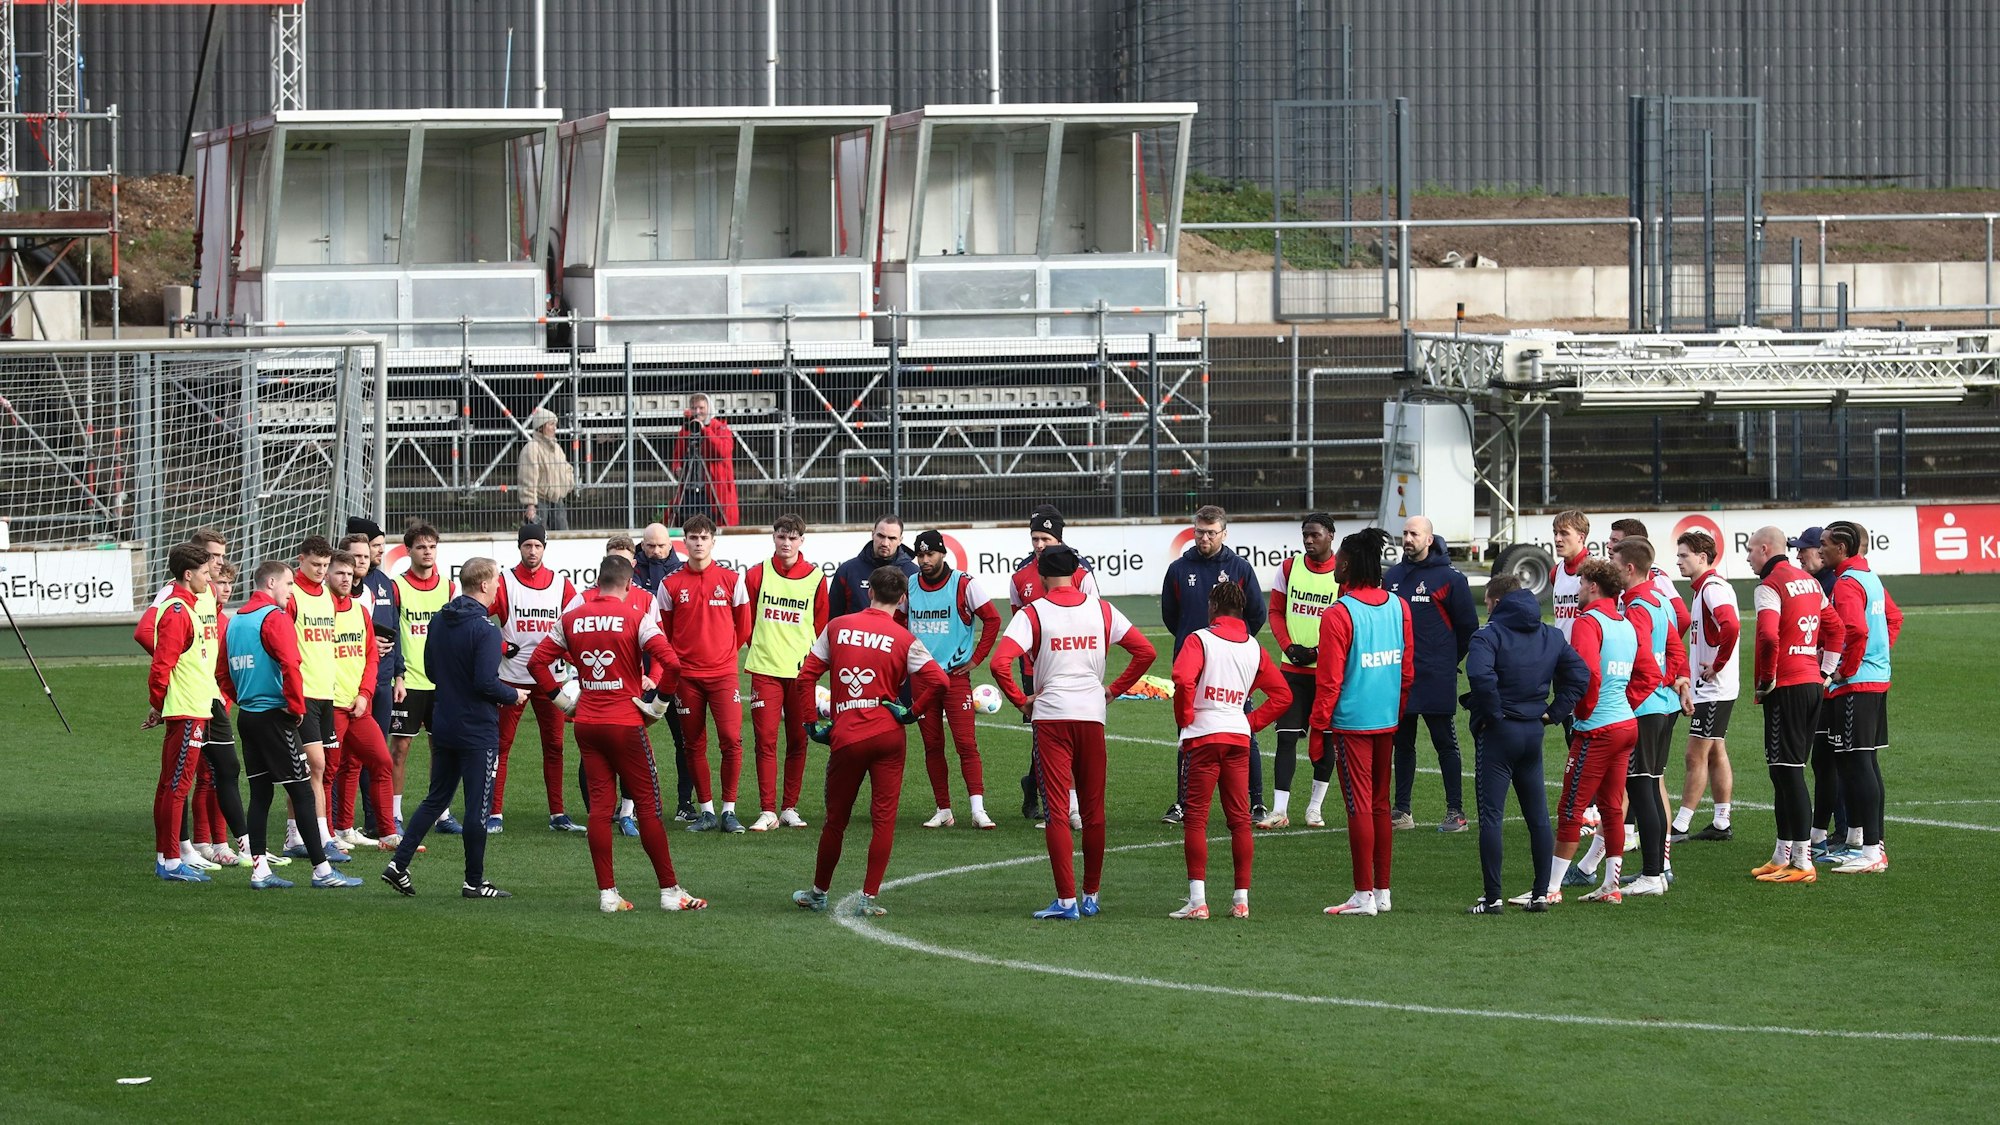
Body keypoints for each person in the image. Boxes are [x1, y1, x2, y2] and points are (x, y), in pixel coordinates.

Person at [529, 553, 707, 913]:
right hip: (626, 723)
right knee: (648, 808)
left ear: (597, 582)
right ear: (629, 584)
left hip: (588, 724)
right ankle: (670, 892)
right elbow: (671, 663)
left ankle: (608, 895)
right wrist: (658, 706)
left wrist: (563, 703)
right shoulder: (636, 616)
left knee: (599, 809)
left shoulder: (571, 617)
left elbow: (537, 663)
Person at [990, 545, 1156, 920]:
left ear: (1043, 576)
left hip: (1051, 718)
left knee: (1057, 813)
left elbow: (1001, 663)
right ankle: (1091, 895)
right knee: (1094, 811)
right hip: (1092, 715)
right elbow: (1145, 652)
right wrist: (1112, 689)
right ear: (1077, 573)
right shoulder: (1102, 608)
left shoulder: (1034, 612)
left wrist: (1021, 700)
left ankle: (1066, 901)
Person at [792, 566, 949, 916]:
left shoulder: (838, 627)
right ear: (903, 598)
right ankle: (869, 898)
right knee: (883, 820)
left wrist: (811, 724)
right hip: (889, 736)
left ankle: (818, 893)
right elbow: (940, 682)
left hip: (846, 736)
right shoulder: (904, 638)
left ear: (869, 592)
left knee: (836, 821)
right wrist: (910, 712)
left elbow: (805, 678)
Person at [381, 557, 525, 900]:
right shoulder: (486, 629)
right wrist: (513, 694)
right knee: (476, 807)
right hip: (476, 729)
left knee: (436, 799)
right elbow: (486, 683)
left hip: (444, 721)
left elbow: (430, 670)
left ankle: (398, 865)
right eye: (497, 582)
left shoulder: (440, 621)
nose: (499, 587)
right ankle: (474, 882)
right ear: (486, 585)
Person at [221, 560, 362, 890]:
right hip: (275, 716)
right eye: (287, 585)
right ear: (271, 584)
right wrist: (296, 709)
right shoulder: (275, 618)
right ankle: (322, 871)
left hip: (249, 717)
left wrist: (244, 698)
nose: (290, 591)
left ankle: (259, 871)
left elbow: (222, 672)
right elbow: (291, 664)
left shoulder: (235, 621)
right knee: (301, 791)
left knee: (260, 793)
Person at [1465, 574, 1588, 914]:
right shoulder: (1550, 634)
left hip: (1500, 733)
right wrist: (1555, 712)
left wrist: (1493, 713)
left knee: (1491, 816)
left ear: (1497, 602)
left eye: (1488, 603)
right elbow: (1580, 675)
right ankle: (1540, 893)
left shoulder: (1488, 636)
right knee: (1538, 817)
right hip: (1533, 730)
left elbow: (1479, 675)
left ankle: (1492, 898)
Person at [1167, 581, 1290, 920]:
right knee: (1239, 820)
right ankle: (1241, 900)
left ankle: (1198, 901)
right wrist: (1251, 722)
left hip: (1203, 737)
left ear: (1212, 606)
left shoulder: (1199, 639)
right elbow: (1283, 696)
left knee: (1196, 819)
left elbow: (1181, 677)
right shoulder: (1254, 646)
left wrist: (1186, 716)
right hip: (1238, 737)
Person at [1309, 528, 1415, 918]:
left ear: (1349, 564)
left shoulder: (1339, 614)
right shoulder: (1399, 607)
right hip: (1386, 720)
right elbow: (1406, 671)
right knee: (1381, 806)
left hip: (1352, 724)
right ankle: (1382, 891)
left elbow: (1330, 681)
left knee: (1358, 808)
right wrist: (1395, 710)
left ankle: (1362, 894)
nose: (1333, 563)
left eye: (1338, 558)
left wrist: (1318, 730)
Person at [1545, 559, 1660, 905]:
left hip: (1598, 729)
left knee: (1570, 808)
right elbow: (1650, 673)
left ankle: (1550, 889)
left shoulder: (1587, 622)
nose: (1578, 590)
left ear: (1593, 586)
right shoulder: (1626, 623)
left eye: (1581, 584)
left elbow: (1588, 675)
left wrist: (1585, 711)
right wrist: (1624, 702)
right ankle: (1610, 886)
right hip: (1626, 725)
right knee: (1612, 807)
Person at [1159, 504, 1267, 825]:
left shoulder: (1240, 568)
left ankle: (1257, 802)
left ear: (1224, 533)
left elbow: (1257, 614)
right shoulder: (1179, 569)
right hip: (1192, 665)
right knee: (1187, 733)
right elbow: (1171, 616)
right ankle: (1182, 803)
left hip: (1232, 667)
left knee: (1245, 728)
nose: (1204, 538)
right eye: (1199, 532)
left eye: (1211, 532)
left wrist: (1233, 648)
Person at [1748, 525, 1843, 886]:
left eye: (1751, 550)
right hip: (1809, 685)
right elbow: (1836, 630)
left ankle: (1802, 860)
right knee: (1781, 771)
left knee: (1788, 771)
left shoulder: (1769, 587)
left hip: (1785, 687)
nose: (1747, 556)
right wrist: (1825, 672)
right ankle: (1782, 854)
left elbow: (1769, 635)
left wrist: (1767, 679)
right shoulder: (1810, 582)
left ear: (1766, 549)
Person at [1607, 536, 1693, 897]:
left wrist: (1632, 699)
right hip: (1662, 706)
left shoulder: (1640, 605)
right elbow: (1675, 647)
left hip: (1644, 708)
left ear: (1628, 568)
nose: (1609, 565)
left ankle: (1652, 874)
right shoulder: (1657, 599)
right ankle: (1654, 872)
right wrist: (1673, 680)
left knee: (1642, 789)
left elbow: (1640, 659)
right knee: (1650, 786)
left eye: (1613, 560)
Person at [655, 515, 751, 833]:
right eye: (693, 538)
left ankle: (729, 811)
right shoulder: (670, 584)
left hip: (723, 675)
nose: (698, 543)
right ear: (685, 542)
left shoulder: (731, 580)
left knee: (731, 739)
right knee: (693, 743)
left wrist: (723, 656)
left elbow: (744, 627)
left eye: (704, 537)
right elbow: (664, 632)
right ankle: (707, 811)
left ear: (713, 541)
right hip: (687, 678)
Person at [490, 522, 586, 834]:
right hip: (512, 679)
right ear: (519, 547)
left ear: (545, 548)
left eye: (537, 546)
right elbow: (477, 615)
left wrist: (576, 663)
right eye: (527, 545)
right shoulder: (504, 582)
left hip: (551, 681)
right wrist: (502, 645)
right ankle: (494, 814)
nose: (532, 551)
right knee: (501, 746)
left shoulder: (561, 584)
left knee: (555, 746)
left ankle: (558, 814)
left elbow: (576, 628)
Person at [1384, 515, 1477, 833]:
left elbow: (1468, 628)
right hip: (1400, 675)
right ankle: (1402, 812)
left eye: (1414, 533)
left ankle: (1456, 812)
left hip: (1436, 675)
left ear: (1429, 539)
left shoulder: (1450, 578)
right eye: (1405, 533)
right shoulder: (1392, 576)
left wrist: (1448, 659)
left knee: (1445, 743)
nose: (1408, 538)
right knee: (1403, 744)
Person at [1008, 505, 1099, 827]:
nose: (1039, 545)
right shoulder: (1020, 574)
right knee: (1044, 736)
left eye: (1045, 537)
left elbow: (1095, 617)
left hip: (1073, 662)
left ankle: (1044, 794)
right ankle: (1053, 803)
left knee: (1062, 735)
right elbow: (1017, 619)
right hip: (1035, 667)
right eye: (1034, 538)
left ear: (1058, 538)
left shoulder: (1081, 570)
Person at [906, 529, 1002, 829]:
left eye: (929, 554)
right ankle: (943, 809)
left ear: (942, 553)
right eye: (920, 555)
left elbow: (993, 618)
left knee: (965, 743)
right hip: (921, 677)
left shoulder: (964, 583)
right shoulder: (909, 583)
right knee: (932, 745)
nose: (924, 560)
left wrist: (976, 659)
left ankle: (978, 809)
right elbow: (897, 621)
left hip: (955, 677)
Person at [739, 513, 829, 833]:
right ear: (773, 538)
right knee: (765, 740)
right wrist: (758, 647)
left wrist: (813, 666)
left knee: (797, 740)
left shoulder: (816, 578)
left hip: (801, 674)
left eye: (792, 538)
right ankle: (767, 810)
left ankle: (789, 807)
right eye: (781, 536)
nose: (786, 543)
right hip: (764, 670)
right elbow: (744, 620)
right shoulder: (756, 574)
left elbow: (821, 626)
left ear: (802, 541)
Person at [1821, 520, 1901, 875]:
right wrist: (1878, 658)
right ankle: (1869, 844)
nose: (1821, 549)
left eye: (1825, 543)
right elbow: (1894, 619)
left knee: (1855, 764)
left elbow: (1854, 629)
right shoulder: (1870, 577)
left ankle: (1871, 851)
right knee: (1865, 763)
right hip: (1875, 680)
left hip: (1857, 685)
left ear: (1841, 548)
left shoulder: (1848, 582)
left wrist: (1846, 670)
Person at [143, 542, 222, 883]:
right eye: (205, 572)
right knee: (176, 787)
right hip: (187, 710)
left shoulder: (186, 605)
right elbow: (162, 665)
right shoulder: (178, 611)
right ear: (188, 575)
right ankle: (171, 861)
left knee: (170, 786)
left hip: (191, 707)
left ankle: (167, 857)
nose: (210, 578)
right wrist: (160, 704)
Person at [1261, 513, 1340, 830]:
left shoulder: (1342, 573)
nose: (1308, 540)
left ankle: (1314, 809)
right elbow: (1276, 611)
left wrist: (1320, 652)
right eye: (1305, 535)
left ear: (1330, 535)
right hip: (1291, 670)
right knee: (1286, 739)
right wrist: (1288, 645)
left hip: (1328, 673)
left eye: (1315, 535)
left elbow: (1346, 623)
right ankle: (1279, 810)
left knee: (1326, 740)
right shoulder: (1289, 568)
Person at [390, 522, 463, 835]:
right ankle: (393, 814)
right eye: (421, 547)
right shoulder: (397, 587)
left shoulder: (448, 587)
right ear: (409, 551)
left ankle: (441, 812)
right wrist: (399, 675)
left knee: (442, 749)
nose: (427, 552)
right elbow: (392, 634)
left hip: (441, 684)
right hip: (409, 683)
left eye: (432, 547)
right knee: (400, 749)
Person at [281, 536, 351, 864]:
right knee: (316, 765)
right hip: (303, 693)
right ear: (301, 560)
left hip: (327, 693)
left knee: (313, 769)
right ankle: (320, 836)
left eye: (325, 566)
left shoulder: (326, 593)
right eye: (316, 565)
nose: (322, 572)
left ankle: (297, 834)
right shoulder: (291, 594)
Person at [326, 550, 400, 851]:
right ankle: (328, 833)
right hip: (329, 706)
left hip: (358, 705)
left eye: (348, 572)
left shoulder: (359, 611)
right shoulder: (319, 611)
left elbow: (371, 657)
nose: (345, 578)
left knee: (381, 761)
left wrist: (364, 695)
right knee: (329, 770)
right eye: (339, 573)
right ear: (327, 576)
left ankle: (387, 833)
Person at [1672, 529, 1739, 843]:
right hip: (1713, 689)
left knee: (1694, 754)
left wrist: (1718, 665)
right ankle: (1722, 822)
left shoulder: (1712, 588)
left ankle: (1681, 825)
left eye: (1684, 555)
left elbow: (1731, 626)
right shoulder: (1704, 589)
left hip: (1714, 690)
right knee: (1715, 751)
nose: (1679, 561)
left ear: (1702, 557)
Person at [188, 560, 250, 869]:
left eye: (228, 584)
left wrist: (228, 696)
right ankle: (206, 842)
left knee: (217, 775)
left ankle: (216, 842)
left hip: (218, 704)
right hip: (198, 704)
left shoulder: (225, 619)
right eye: (219, 582)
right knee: (207, 776)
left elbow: (226, 669)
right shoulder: (194, 610)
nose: (224, 588)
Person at [1608, 519, 1691, 635]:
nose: (1609, 546)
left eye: (1615, 541)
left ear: (1633, 543)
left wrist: (1664, 647)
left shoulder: (1653, 573)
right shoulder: (1621, 573)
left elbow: (1682, 617)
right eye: (1610, 540)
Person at [669, 393, 740, 528]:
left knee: (715, 524)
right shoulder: (686, 430)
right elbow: (677, 455)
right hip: (690, 487)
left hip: (715, 488)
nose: (697, 412)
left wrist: (705, 431)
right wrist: (677, 468)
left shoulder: (719, 428)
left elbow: (723, 451)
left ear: (709, 408)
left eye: (701, 408)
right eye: (694, 408)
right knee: (688, 524)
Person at [829, 514, 919, 619]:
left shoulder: (913, 574)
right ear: (872, 534)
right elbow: (833, 616)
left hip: (896, 635)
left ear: (900, 540)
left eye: (892, 538)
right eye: (881, 536)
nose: (885, 543)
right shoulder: (847, 571)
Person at [518, 407, 576, 530]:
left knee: (563, 537)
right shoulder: (532, 448)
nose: (555, 428)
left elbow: (567, 468)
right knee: (538, 538)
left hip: (557, 500)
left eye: (555, 424)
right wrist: (531, 505)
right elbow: (528, 478)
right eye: (551, 424)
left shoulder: (557, 448)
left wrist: (568, 484)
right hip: (539, 502)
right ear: (541, 426)